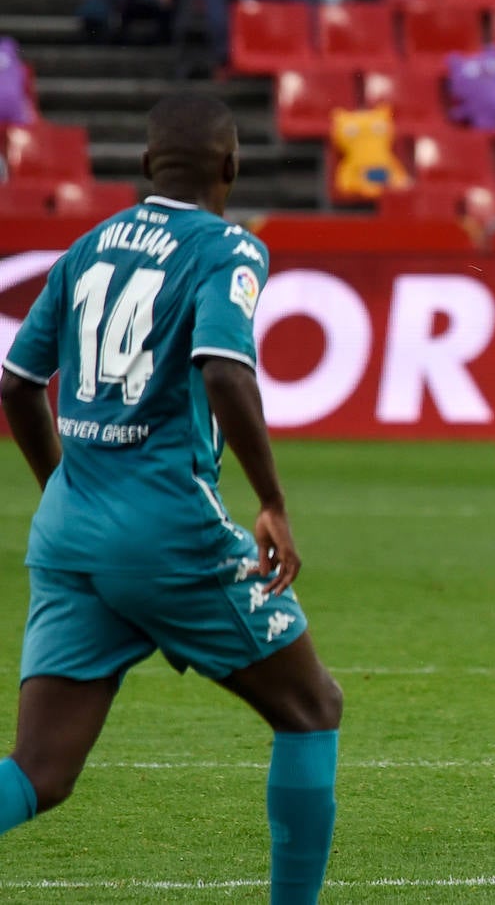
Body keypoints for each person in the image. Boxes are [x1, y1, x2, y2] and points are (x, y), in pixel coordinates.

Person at [0, 92, 343, 899]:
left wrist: (72, 494)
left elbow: (17, 386)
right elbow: (224, 368)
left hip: (70, 531)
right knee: (311, 708)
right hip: (168, 529)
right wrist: (272, 502)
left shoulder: (85, 248)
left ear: (148, 165)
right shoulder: (229, 249)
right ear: (231, 166)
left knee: (39, 773)